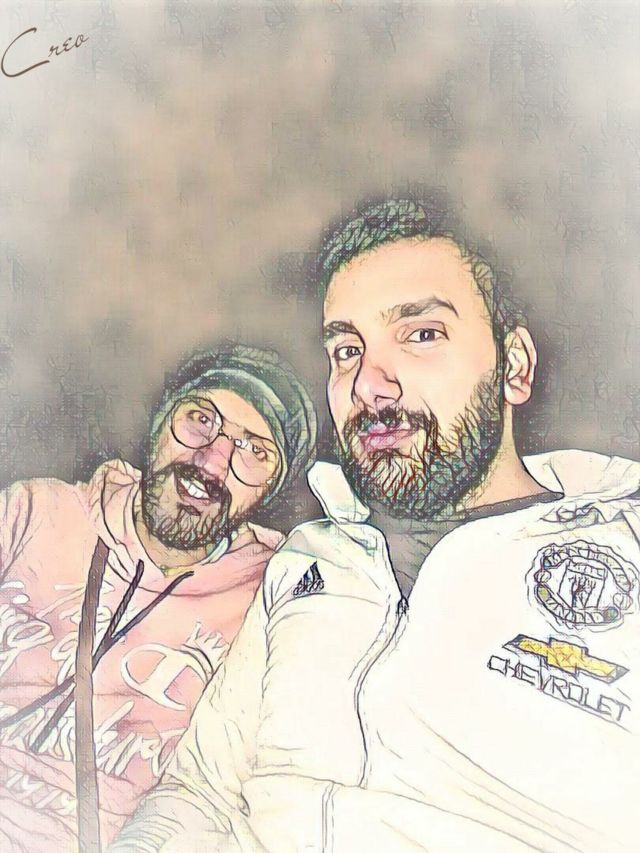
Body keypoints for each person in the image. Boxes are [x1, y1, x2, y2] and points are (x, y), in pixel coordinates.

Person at [113, 200, 639, 853]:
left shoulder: (624, 543)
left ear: (514, 366)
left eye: (421, 334)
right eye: (346, 349)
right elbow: (199, 791)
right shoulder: (310, 559)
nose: (369, 382)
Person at [0, 343, 316, 851]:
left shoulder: (274, 596)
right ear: (160, 422)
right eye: (201, 420)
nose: (212, 462)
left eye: (254, 451)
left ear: (270, 493)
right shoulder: (34, 512)